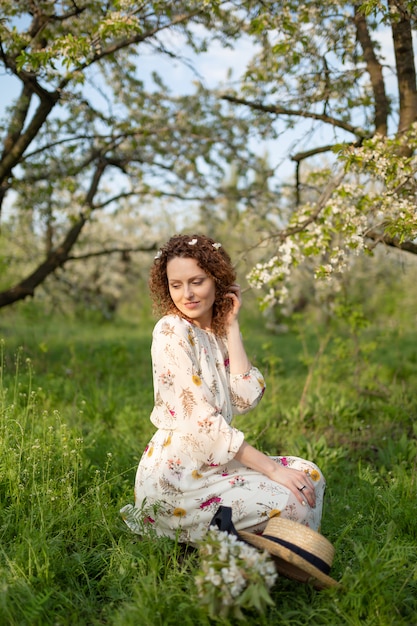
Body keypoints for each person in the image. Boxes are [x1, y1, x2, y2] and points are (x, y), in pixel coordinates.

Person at [120, 234, 326, 543]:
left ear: (217, 280)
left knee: (309, 475)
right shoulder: (170, 331)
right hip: (178, 481)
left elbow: (245, 397)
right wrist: (271, 470)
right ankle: (240, 556)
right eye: (176, 285)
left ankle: (271, 549)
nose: (186, 294)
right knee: (291, 499)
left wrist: (231, 325)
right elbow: (203, 426)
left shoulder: (214, 333)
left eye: (197, 281)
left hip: (215, 464)